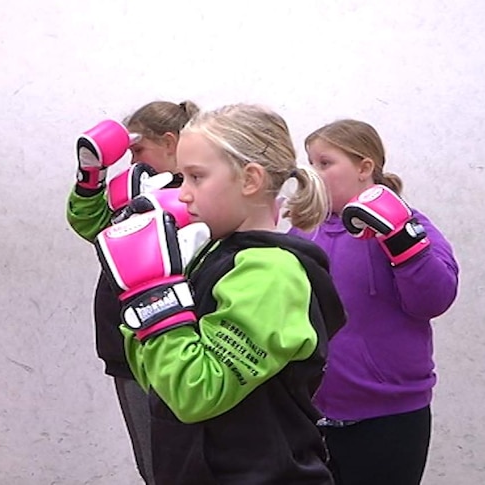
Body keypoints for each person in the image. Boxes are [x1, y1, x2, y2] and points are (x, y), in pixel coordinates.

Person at [95, 103, 347, 484]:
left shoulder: (270, 272)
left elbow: (195, 392)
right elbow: (156, 377)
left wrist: (153, 297)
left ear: (250, 180)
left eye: (196, 177)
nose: (183, 195)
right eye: (182, 178)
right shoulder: (211, 252)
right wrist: (137, 298)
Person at [292, 119, 459, 485]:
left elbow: (434, 300)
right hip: (311, 413)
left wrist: (401, 242)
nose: (314, 174)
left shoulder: (410, 224)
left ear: (364, 167)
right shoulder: (304, 231)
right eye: (311, 163)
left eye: (325, 163)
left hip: (389, 415)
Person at [66, 100, 199, 484]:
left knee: (181, 464)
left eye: (139, 150)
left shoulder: (197, 192)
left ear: (171, 142)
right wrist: (90, 175)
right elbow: (90, 227)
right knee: (152, 465)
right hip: (127, 344)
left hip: (175, 340)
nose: (133, 161)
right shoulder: (132, 190)